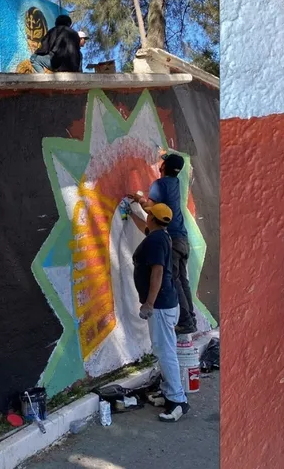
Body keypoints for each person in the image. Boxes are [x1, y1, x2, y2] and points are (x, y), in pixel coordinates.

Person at [132, 202, 190, 422]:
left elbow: (157, 272)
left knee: (165, 352)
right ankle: (168, 392)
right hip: (166, 303)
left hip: (161, 306)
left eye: (148, 215)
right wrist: (131, 213)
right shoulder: (161, 235)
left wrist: (149, 303)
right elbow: (145, 229)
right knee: (164, 349)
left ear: (152, 218)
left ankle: (178, 401)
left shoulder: (156, 240)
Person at [127, 152, 196, 334]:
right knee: (182, 280)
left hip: (172, 239)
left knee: (173, 280)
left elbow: (151, 210)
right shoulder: (175, 183)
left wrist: (139, 199)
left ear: (163, 167)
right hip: (182, 239)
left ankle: (186, 322)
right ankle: (190, 319)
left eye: (163, 162)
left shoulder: (160, 184)